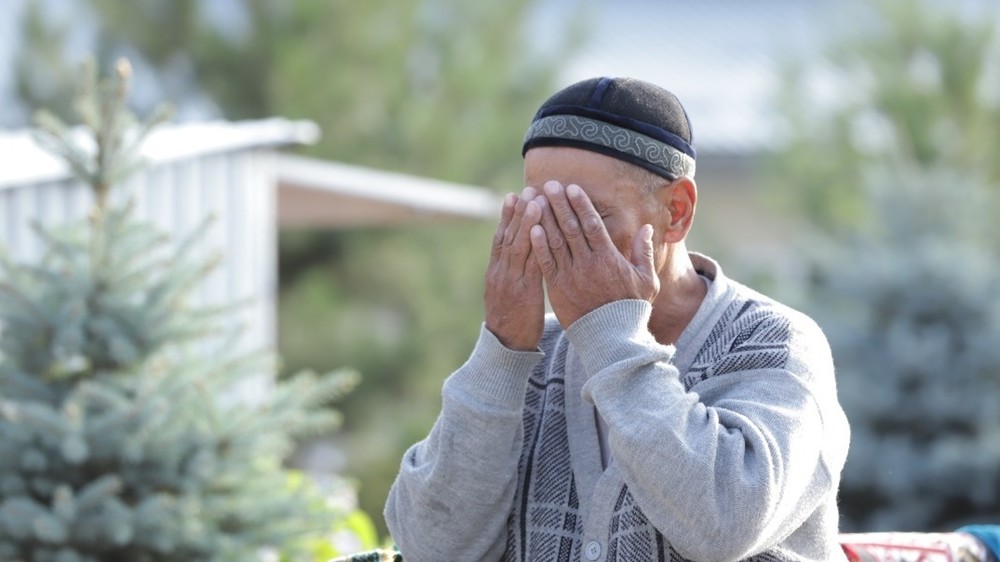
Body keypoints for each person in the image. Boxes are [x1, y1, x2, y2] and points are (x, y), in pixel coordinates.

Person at [383, 76, 852, 562]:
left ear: (677, 212)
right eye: (541, 214)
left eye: (588, 217)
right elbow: (430, 547)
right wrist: (501, 351)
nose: (558, 241)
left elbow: (725, 525)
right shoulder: (528, 352)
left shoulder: (774, 343)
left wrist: (612, 337)